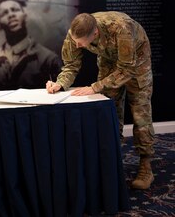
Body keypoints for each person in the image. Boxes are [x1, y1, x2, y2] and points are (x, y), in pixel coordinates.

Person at [46, 11, 155, 190]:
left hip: (137, 62)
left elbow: (127, 69)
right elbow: (71, 65)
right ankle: (113, 159)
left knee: (140, 112)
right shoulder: (76, 32)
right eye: (75, 41)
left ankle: (145, 166)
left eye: (81, 43)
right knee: (109, 110)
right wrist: (60, 83)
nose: (77, 45)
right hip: (108, 59)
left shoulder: (122, 29)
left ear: (95, 34)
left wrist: (95, 87)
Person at [0, 0, 62, 90]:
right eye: (4, 13)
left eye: (15, 10)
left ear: (25, 16)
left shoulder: (48, 59)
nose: (11, 15)